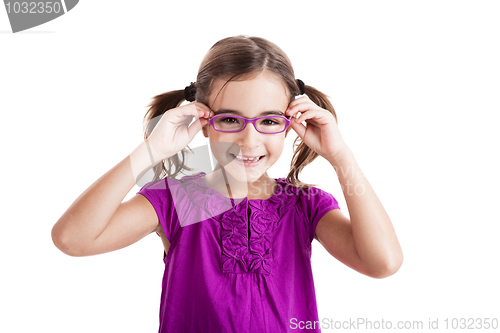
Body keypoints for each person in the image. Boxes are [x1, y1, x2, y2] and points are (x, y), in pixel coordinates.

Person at [52, 35, 403, 333]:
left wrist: (342, 157)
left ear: (291, 123)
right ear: (204, 121)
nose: (249, 140)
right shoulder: (183, 200)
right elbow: (73, 239)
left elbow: (383, 263)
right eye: (231, 119)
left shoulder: (304, 206)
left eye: (268, 120)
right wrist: (151, 151)